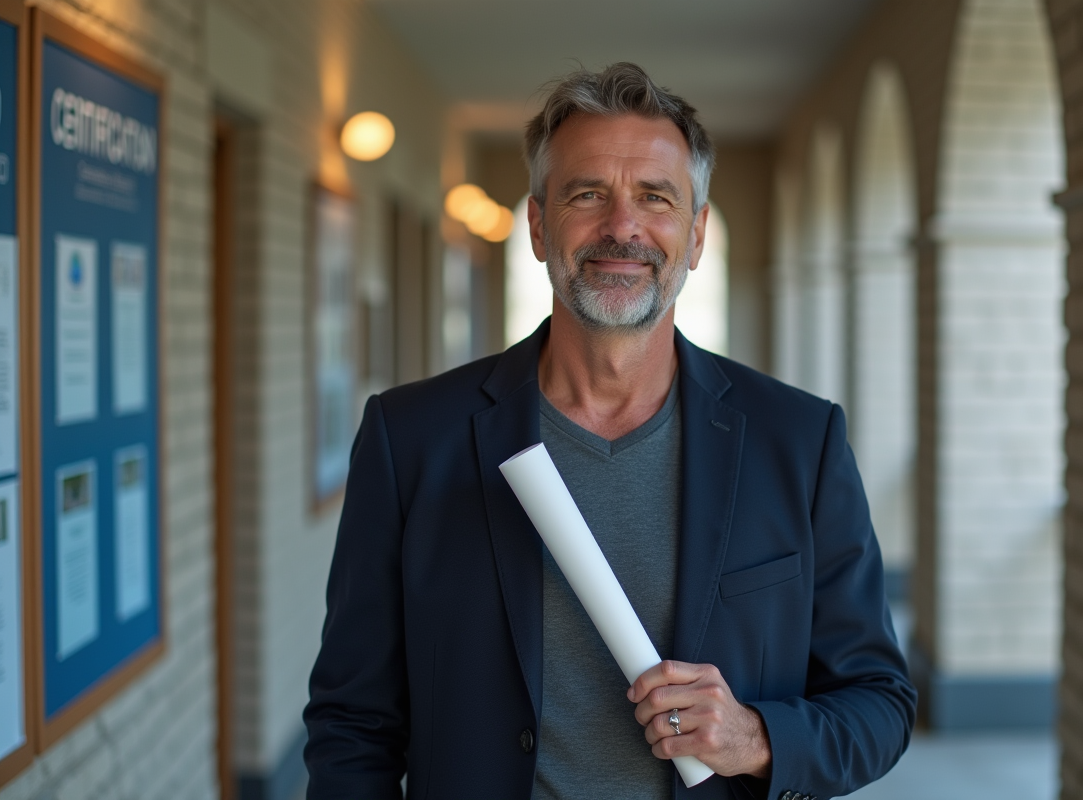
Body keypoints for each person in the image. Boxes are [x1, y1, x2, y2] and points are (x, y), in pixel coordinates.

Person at [303, 62, 915, 800]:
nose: (622, 226)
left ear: (695, 236)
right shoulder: (412, 440)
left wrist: (756, 737)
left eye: (654, 198)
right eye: (587, 194)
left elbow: (879, 702)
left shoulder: (798, 441)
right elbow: (353, 725)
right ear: (537, 225)